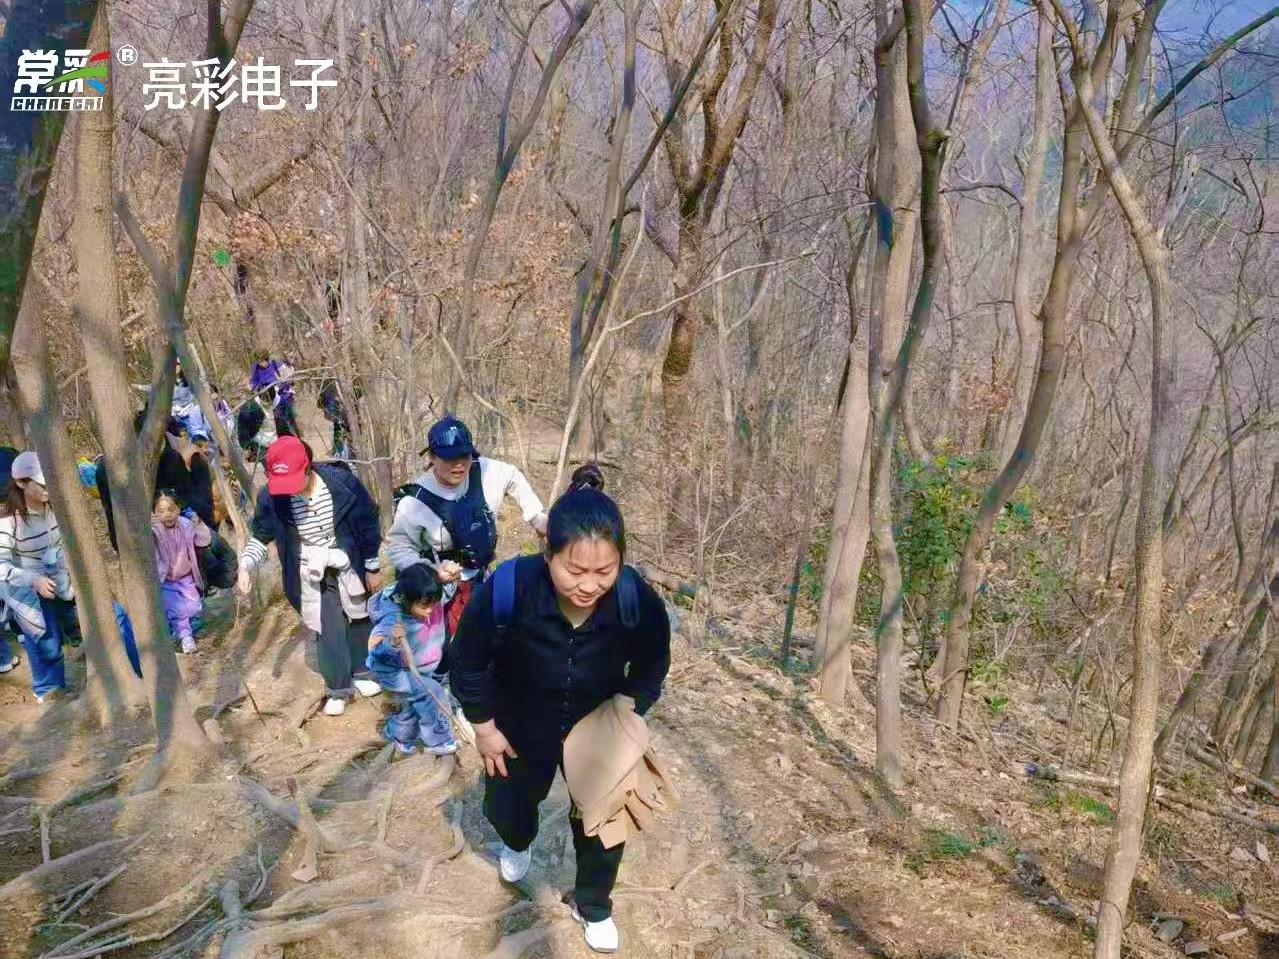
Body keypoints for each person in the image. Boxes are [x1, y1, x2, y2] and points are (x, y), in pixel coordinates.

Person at [451, 464, 671, 954]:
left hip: (597, 724)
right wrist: (483, 726)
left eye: (604, 572)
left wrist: (630, 706)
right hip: (517, 721)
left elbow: (654, 662)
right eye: (575, 570)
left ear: (620, 562)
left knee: (604, 822)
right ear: (548, 553)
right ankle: (517, 840)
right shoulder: (509, 589)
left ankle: (593, 905)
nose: (589, 585)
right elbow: (467, 660)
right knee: (509, 807)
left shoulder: (634, 598)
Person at [237, 436, 384, 716]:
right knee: (328, 624)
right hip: (310, 568)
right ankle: (338, 688)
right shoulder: (272, 497)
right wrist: (246, 565)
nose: (289, 489)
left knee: (359, 614)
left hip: (347, 559)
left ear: (308, 467)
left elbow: (367, 522)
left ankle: (364, 672)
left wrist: (372, 566)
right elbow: (261, 535)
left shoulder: (342, 483)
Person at [386, 416, 547, 636]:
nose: (459, 464)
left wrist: (536, 516)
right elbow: (398, 547)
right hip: (442, 592)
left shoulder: (486, 472)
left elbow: (513, 477)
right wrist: (430, 570)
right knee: (449, 648)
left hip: (482, 578)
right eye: (449, 458)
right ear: (432, 457)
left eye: (464, 456)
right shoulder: (415, 501)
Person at [0, 453, 80, 703]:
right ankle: (48, 692)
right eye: (41, 484)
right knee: (46, 642)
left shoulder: (56, 507)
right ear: (21, 483)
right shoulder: (9, 520)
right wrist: (32, 579)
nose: (48, 489)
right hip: (28, 589)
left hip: (62, 580)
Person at [365, 563, 457, 756]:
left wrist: (448, 575)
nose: (430, 610)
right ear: (407, 600)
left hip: (417, 668)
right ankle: (438, 741)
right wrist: (391, 643)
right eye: (424, 606)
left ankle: (400, 738)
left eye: (433, 604)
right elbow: (375, 652)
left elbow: (445, 592)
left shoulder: (428, 599)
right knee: (430, 692)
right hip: (394, 672)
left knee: (408, 710)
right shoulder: (393, 620)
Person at [152, 489, 212, 654]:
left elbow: (204, 540)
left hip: (186, 578)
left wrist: (197, 523)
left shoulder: (185, 524)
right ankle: (186, 638)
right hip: (166, 580)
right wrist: (147, 524)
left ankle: (179, 630)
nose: (167, 515)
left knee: (194, 607)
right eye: (161, 511)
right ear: (154, 513)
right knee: (176, 609)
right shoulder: (154, 530)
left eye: (171, 509)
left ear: (178, 509)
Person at [249, 352, 297, 437]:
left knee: (290, 420)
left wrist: (279, 385)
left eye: (263, 361)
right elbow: (254, 384)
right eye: (259, 361)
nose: (262, 363)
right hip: (271, 400)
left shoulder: (276, 364)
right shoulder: (256, 369)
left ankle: (297, 436)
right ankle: (286, 438)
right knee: (279, 423)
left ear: (267, 359)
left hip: (284, 396)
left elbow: (289, 377)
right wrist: (252, 387)